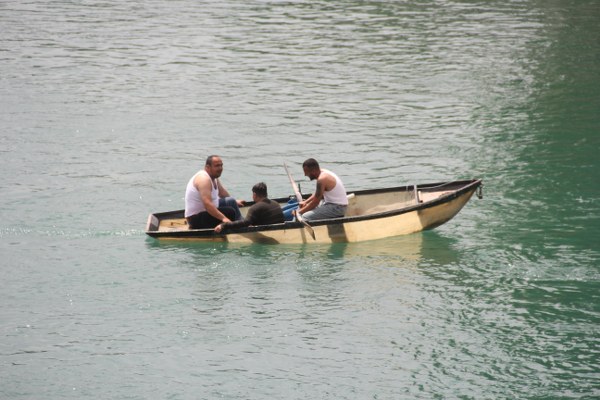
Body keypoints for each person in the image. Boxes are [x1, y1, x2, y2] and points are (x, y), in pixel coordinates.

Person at [185, 155, 244, 229]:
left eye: (221, 165)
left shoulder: (213, 176)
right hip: (195, 219)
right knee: (230, 212)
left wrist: (235, 202)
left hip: (206, 211)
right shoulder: (204, 179)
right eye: (217, 166)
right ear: (208, 167)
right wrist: (223, 218)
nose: (220, 168)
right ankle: (241, 225)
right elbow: (207, 204)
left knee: (231, 201)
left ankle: (241, 222)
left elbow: (222, 192)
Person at [215, 182, 285, 233]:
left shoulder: (255, 208)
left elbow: (245, 223)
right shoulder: (276, 204)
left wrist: (224, 225)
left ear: (254, 194)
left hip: (266, 233)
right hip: (280, 230)